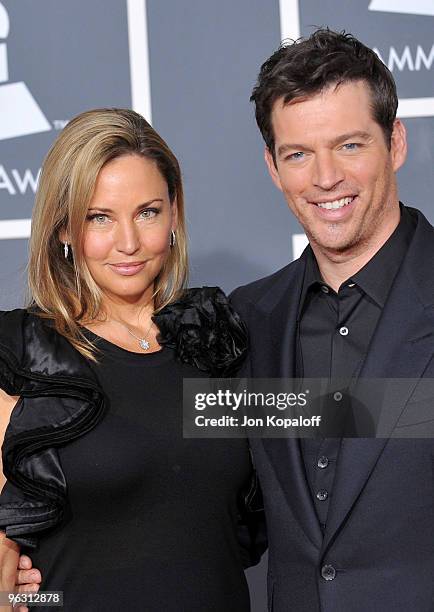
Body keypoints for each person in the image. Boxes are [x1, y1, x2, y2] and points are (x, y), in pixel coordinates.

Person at [0, 108, 265, 611]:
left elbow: (345, 421)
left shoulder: (215, 337)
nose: (128, 242)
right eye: (99, 217)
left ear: (174, 212)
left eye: (147, 212)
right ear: (63, 229)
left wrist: (413, 408)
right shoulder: (22, 357)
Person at [230, 29, 434, 611]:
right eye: (298, 154)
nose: (325, 179)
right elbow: (221, 519)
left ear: (394, 143)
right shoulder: (248, 321)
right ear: (273, 165)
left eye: (348, 145)